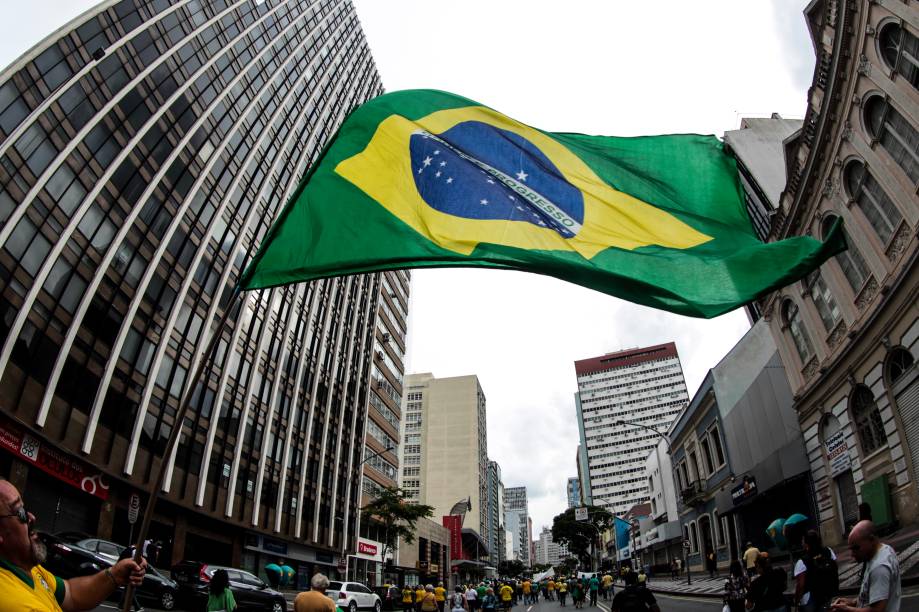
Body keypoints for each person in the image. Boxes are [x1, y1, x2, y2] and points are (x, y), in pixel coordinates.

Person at [0, 478, 146, 612]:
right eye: (20, 512)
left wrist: (115, 574)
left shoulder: (28, 569)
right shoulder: (16, 603)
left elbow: (71, 593)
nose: (31, 517)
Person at [830, 520, 901, 612]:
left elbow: (877, 610)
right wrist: (853, 602)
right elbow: (874, 595)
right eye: (851, 549)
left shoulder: (879, 568)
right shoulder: (885, 549)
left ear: (871, 539)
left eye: (856, 548)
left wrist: (847, 609)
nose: (852, 554)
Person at [795, 530, 839, 612]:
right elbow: (835, 566)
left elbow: (800, 585)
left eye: (803, 540)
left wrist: (796, 602)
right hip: (828, 592)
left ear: (806, 543)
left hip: (812, 598)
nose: (801, 542)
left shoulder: (802, 561)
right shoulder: (828, 551)